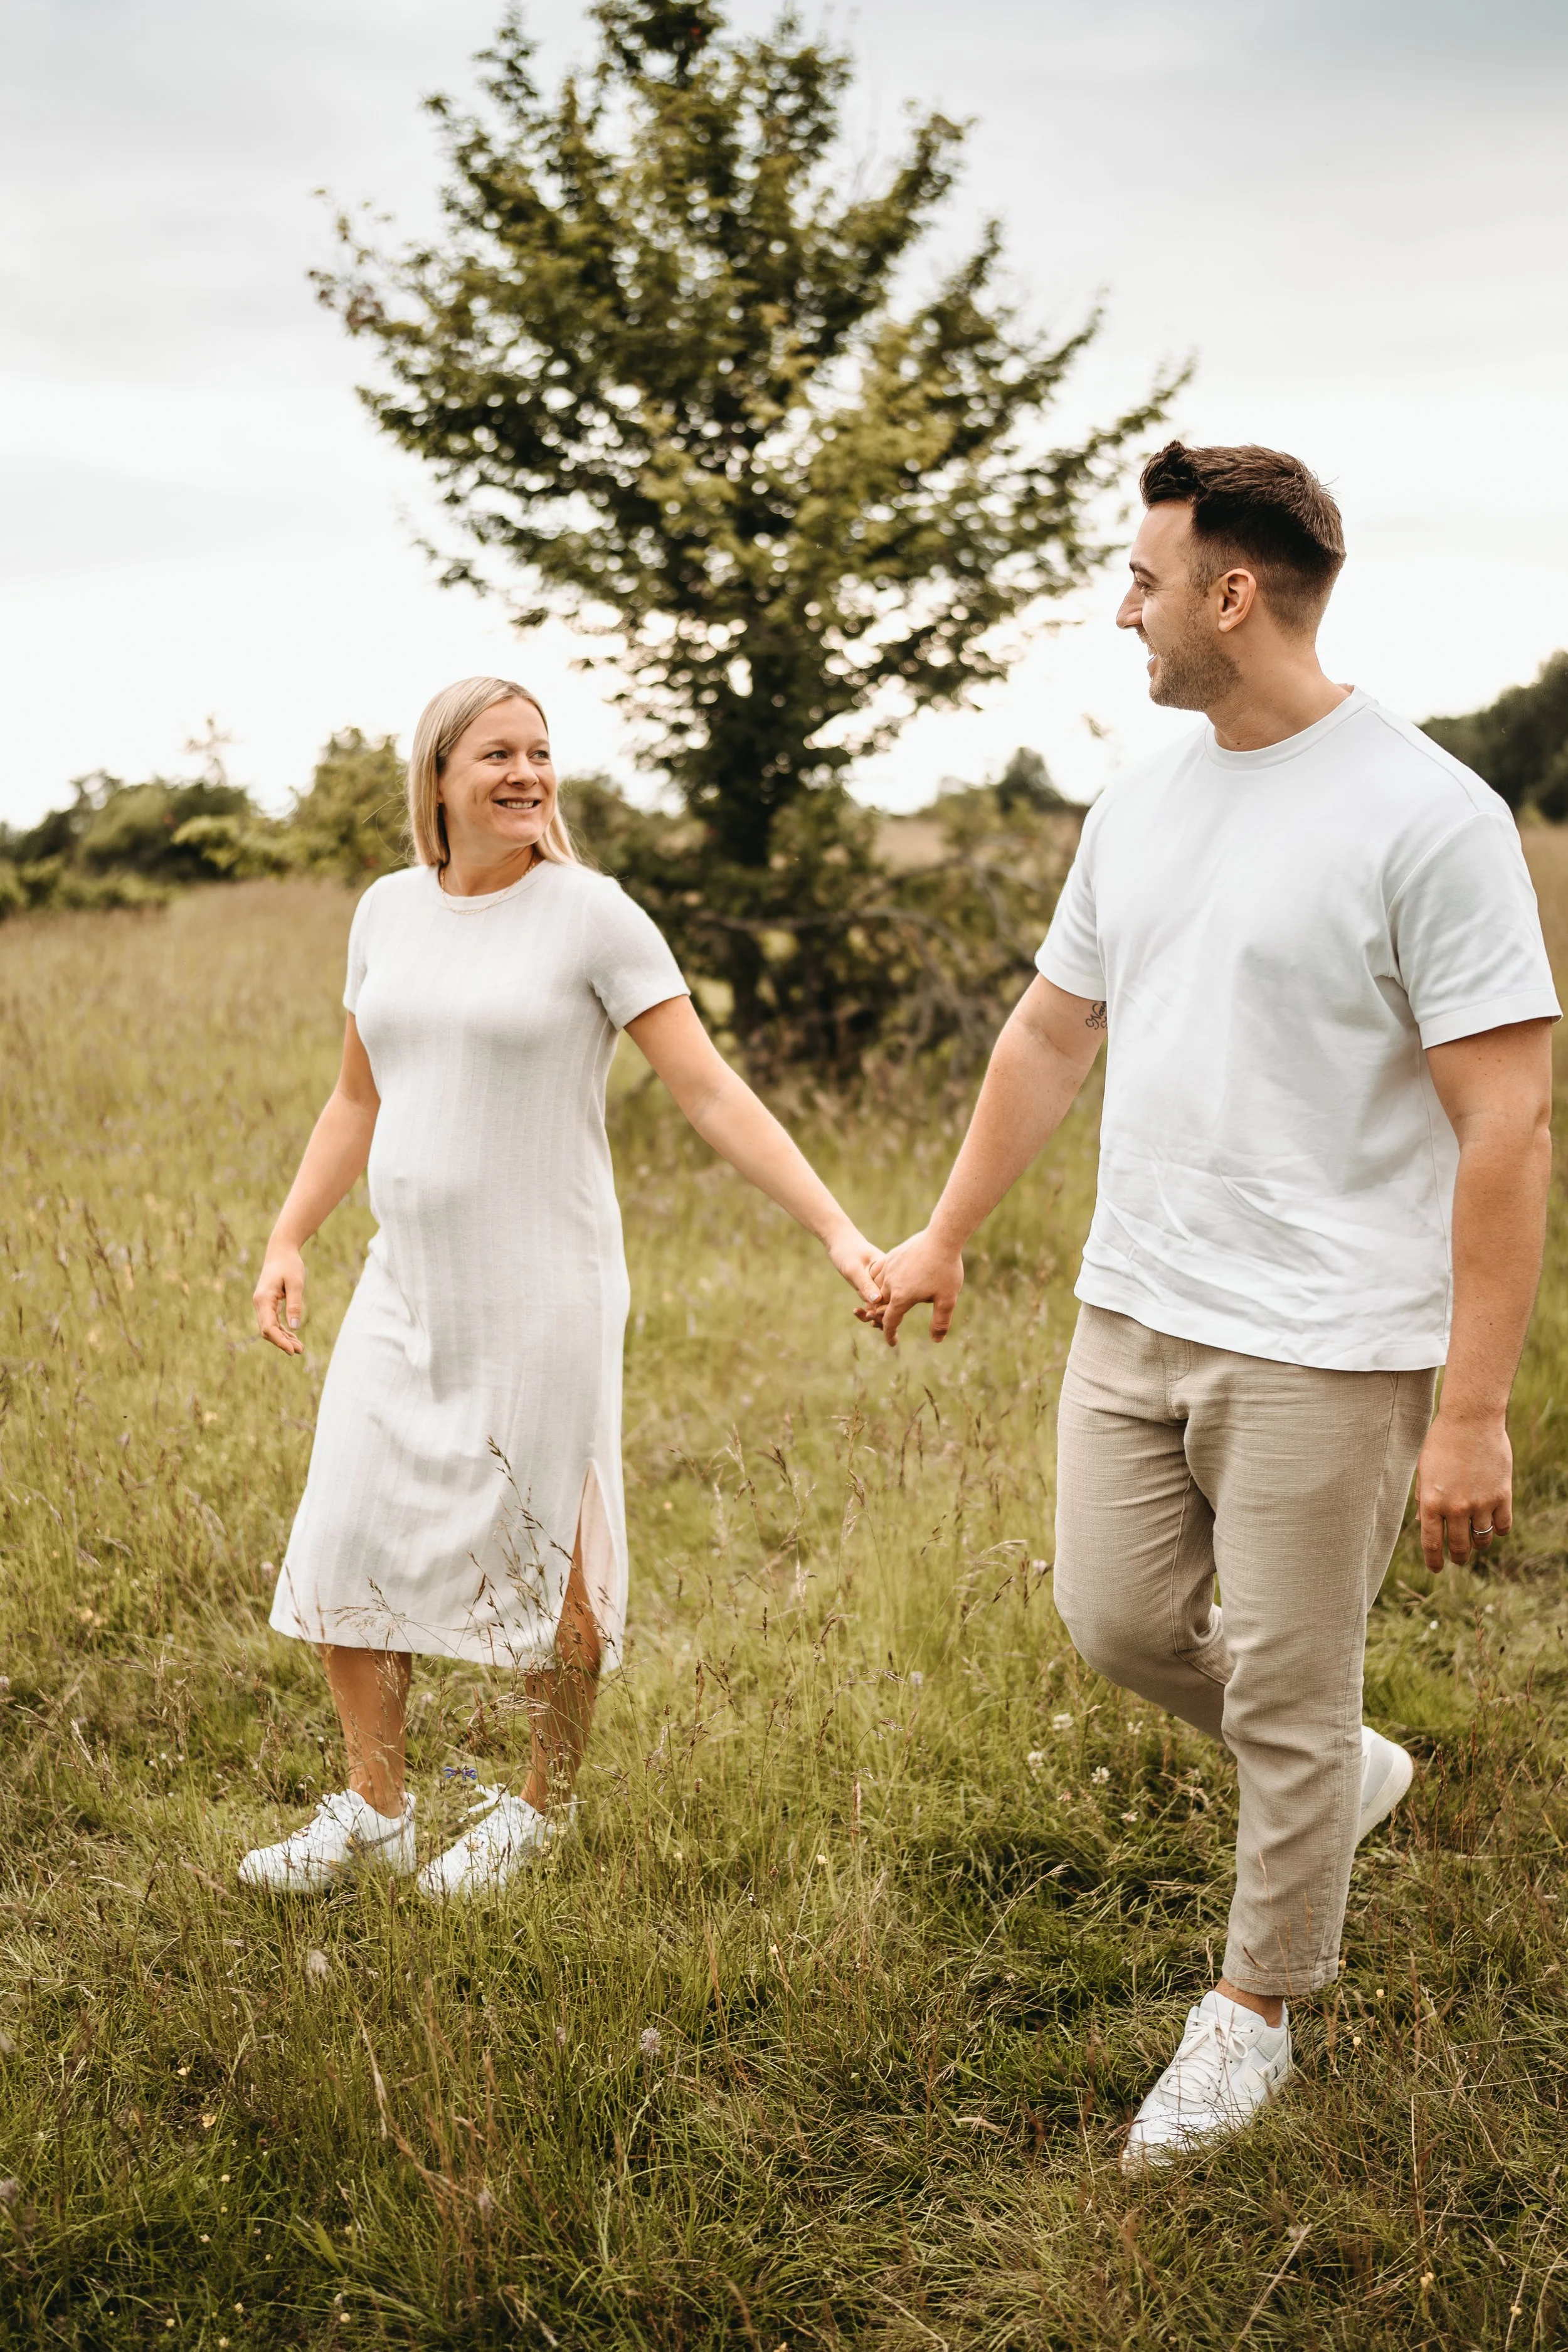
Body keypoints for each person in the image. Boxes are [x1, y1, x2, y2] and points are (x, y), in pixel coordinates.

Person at [867, 442, 1558, 2168]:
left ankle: (1255, 2007)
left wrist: (1469, 1408)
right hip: (1132, 1307)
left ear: (1229, 594)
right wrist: (947, 1228)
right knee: (1115, 1621)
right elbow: (1048, 1031)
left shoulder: (1428, 816)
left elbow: (1505, 1118)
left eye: (1142, 578)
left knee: (1287, 1677)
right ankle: (1339, 1770)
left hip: (1326, 1340)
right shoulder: (1142, 796)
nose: (1123, 608)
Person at [240, 675, 881, 1899]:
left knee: (551, 1542)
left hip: (544, 1284)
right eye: (496, 755)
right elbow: (357, 1098)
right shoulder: (385, 911)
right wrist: (288, 1237)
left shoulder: (593, 917)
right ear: (439, 779)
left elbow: (708, 1091)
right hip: (403, 1279)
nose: (526, 774)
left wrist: (838, 1233)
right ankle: (376, 1806)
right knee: (348, 1522)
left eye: (539, 752)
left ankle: (543, 1804)